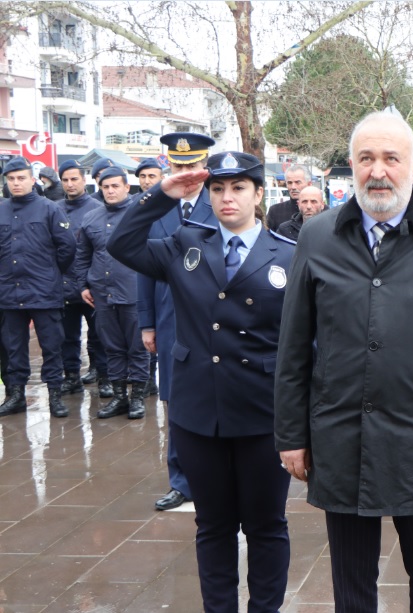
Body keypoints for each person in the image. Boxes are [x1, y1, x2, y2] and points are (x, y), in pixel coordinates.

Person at [275, 112, 413, 612]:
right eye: (366, 159)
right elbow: (292, 349)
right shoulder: (318, 237)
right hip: (341, 433)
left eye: (391, 158)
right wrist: (291, 435)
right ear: (350, 166)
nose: (378, 171)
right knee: (352, 589)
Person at [109, 151, 295, 612]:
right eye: (218, 189)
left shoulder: (290, 256)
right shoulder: (184, 245)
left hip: (262, 413)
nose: (226, 198)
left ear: (258, 193)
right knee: (212, 525)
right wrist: (162, 194)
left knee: (267, 525)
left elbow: (304, 343)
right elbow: (122, 243)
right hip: (198, 412)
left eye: (237, 188)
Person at [139, 131, 215, 512]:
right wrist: (147, 323)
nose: (184, 173)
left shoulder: (220, 204)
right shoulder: (156, 208)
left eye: (192, 166)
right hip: (169, 321)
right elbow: (144, 272)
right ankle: (180, 480)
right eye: (178, 165)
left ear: (205, 167)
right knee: (174, 400)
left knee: (214, 394)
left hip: (211, 321)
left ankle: (215, 475)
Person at [0, 156, 77, 418]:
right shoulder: (1, 209)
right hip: (9, 291)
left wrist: (51, 274)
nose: (16, 183)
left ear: (32, 180)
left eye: (21, 178)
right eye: (11, 179)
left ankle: (55, 394)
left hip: (44, 291)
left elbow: (67, 247)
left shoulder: (49, 209)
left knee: (52, 345)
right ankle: (16, 395)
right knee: (13, 348)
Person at [73, 167, 149, 419]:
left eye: (116, 186)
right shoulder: (91, 218)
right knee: (112, 347)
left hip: (134, 291)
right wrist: (83, 285)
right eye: (106, 187)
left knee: (137, 347)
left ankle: (138, 397)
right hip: (101, 293)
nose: (110, 191)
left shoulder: (140, 215)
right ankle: (119, 397)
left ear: (127, 187)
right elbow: (83, 255)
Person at [56, 160, 110, 398]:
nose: (70, 184)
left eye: (74, 179)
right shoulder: (53, 208)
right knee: (67, 337)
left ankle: (105, 378)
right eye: (65, 180)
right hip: (63, 285)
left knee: (100, 335)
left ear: (84, 179)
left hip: (91, 285)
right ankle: (71, 377)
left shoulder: (98, 207)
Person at [134, 157, 165, 397]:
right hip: (153, 291)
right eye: (142, 177)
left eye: (151, 176)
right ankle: (147, 381)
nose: (147, 181)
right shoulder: (136, 208)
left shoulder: (174, 205)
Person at [267, 164, 311, 231]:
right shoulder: (275, 211)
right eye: (290, 183)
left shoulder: (322, 211)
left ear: (309, 184)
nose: (293, 187)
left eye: (298, 182)